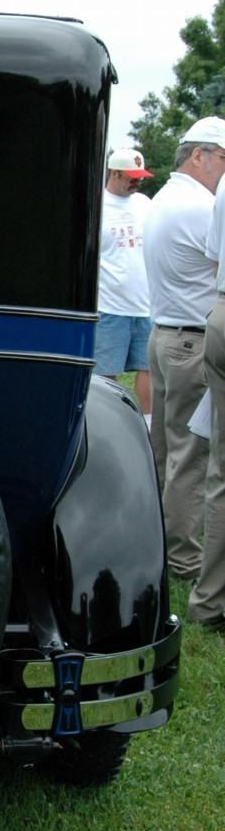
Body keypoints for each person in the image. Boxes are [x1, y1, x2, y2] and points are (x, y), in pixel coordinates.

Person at [143, 117, 225, 581]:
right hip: (191, 339)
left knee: (167, 452)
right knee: (191, 457)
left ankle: (158, 546)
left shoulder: (165, 198)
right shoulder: (199, 205)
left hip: (167, 334)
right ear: (200, 155)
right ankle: (184, 560)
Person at [96, 147, 153, 417]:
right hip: (110, 304)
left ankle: (149, 425)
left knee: (148, 368)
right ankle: (108, 423)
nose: (137, 181)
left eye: (140, 176)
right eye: (131, 176)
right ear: (115, 173)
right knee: (107, 374)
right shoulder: (98, 206)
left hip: (146, 303)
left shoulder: (144, 204)